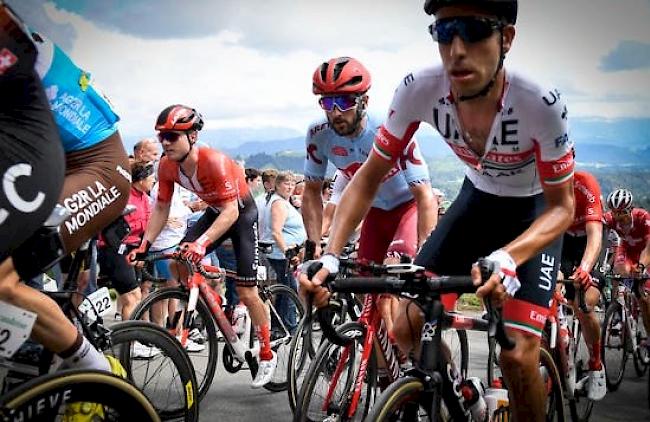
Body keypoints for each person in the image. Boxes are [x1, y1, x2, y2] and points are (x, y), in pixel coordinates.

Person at [299, 1, 576, 420]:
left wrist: (508, 257)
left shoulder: (539, 102)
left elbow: (563, 207)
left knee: (518, 357)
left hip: (533, 211)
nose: (458, 49)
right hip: (477, 201)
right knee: (406, 323)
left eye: (475, 29)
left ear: (507, 38)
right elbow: (368, 178)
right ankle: (462, 395)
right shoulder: (419, 88)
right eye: (445, 32)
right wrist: (331, 254)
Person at [0, 3, 115, 375]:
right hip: (41, 154)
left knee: (3, 280)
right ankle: (25, 361)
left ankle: (96, 371)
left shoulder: (7, 30)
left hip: (98, 168)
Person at [127, 105, 277, 388]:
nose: (165, 143)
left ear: (192, 136)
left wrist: (202, 242)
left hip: (241, 213)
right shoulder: (166, 165)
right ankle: (211, 301)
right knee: (177, 262)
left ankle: (267, 351)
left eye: (172, 136)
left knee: (247, 290)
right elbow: (160, 207)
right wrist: (144, 245)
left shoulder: (214, 161)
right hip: (214, 211)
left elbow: (231, 213)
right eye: (161, 137)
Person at [302, 56, 436, 335]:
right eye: (327, 103)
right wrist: (314, 243)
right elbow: (312, 191)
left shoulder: (388, 128)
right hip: (374, 212)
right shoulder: (317, 134)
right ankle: (384, 370)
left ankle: (409, 356)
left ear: (364, 100)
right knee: (365, 294)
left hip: (407, 208)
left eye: (345, 102)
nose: (336, 112)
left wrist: (427, 250)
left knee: (389, 287)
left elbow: (424, 195)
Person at [559, 170, 605, 400]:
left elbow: (595, 233)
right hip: (564, 240)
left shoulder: (585, 183)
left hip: (588, 239)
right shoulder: (539, 184)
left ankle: (596, 363)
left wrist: (585, 268)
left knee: (583, 304)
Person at [97, 161, 154, 322]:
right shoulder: (123, 195)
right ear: (141, 179)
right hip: (114, 249)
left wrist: (142, 252)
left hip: (133, 250)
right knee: (131, 297)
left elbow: (148, 224)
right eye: (151, 178)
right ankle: (128, 342)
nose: (153, 181)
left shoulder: (144, 197)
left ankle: (131, 340)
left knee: (135, 295)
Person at [262, 171, 307, 333]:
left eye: (292, 184)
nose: (289, 187)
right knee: (289, 291)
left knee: (283, 290)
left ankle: (278, 326)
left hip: (284, 253)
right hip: (282, 254)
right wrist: (288, 252)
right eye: (285, 183)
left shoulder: (282, 201)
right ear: (277, 185)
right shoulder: (278, 204)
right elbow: (276, 231)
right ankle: (291, 327)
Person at [603, 188, 650, 344]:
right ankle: (618, 310)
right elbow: (596, 230)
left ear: (630, 209)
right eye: (614, 212)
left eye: (621, 212)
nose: (617, 217)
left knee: (644, 298)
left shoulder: (642, 217)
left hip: (645, 253)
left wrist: (642, 266)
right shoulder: (611, 218)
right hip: (627, 250)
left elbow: (648, 248)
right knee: (618, 272)